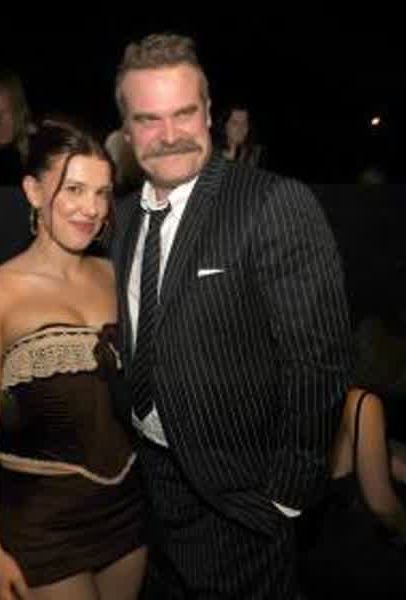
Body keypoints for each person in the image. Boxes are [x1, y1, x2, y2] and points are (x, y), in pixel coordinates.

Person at [111, 32, 353, 599]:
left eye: (183, 113)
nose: (169, 135)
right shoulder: (122, 220)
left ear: (208, 113)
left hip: (239, 502)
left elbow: (319, 359)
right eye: (148, 119)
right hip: (150, 490)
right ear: (126, 129)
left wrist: (286, 494)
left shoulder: (271, 203)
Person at [0, 122, 146, 600]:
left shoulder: (115, 274)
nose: (92, 209)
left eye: (102, 193)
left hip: (127, 509)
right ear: (34, 191)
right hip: (42, 521)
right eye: (75, 189)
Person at [298, 385, 406, 596]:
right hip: (357, 560)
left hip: (311, 558)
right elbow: (382, 505)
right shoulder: (362, 403)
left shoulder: (306, 402)